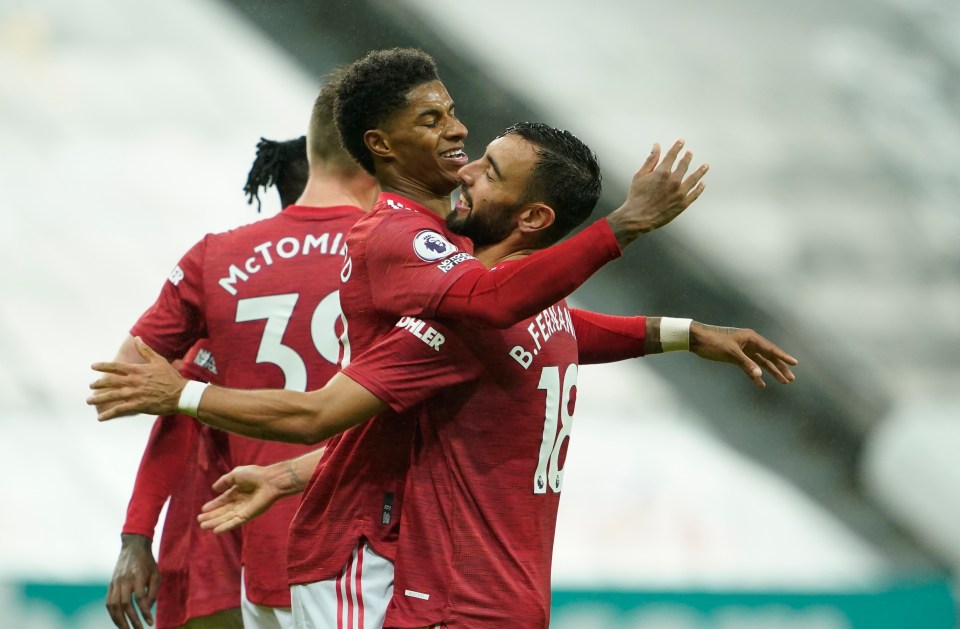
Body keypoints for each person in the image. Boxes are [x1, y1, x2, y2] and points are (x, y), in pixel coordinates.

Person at [95, 46, 710, 629]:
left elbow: (541, 321)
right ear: (381, 145)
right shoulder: (407, 241)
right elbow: (480, 315)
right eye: (432, 119)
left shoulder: (438, 255)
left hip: (330, 527)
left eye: (452, 114)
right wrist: (624, 226)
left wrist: (682, 333)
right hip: (356, 544)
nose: (459, 136)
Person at [97, 72, 380, 629]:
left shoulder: (222, 269)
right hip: (360, 541)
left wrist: (136, 533)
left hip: (252, 539)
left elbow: (128, 378)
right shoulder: (408, 253)